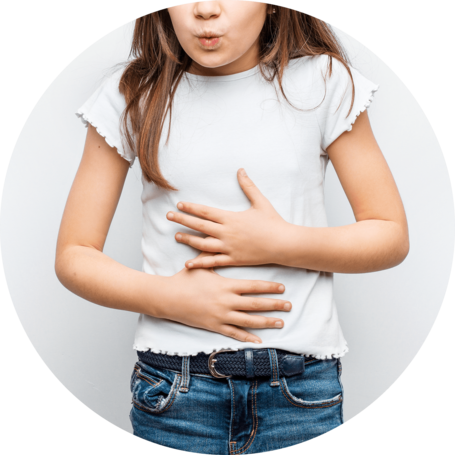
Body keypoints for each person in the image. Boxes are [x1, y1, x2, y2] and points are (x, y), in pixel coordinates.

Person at [55, 2, 409, 453]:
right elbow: (74, 255)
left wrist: (280, 243)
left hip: (300, 391)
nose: (205, 10)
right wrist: (172, 299)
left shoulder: (323, 82)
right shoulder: (132, 93)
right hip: (174, 389)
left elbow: (389, 234)